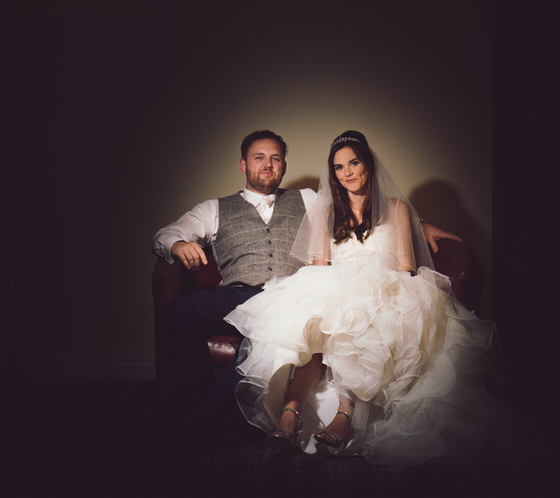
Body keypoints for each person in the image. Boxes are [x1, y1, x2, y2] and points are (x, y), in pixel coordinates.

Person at [225, 130, 520, 469]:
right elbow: (319, 266)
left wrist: (373, 287)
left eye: (354, 163)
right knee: (310, 327)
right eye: (338, 167)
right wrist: (327, 298)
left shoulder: (395, 208)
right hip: (335, 287)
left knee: (358, 319)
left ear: (368, 164)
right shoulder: (325, 211)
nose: (347, 172)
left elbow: (407, 266)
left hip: (386, 289)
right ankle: (289, 416)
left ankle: (343, 415)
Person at [151, 128, 459, 431]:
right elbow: (166, 234)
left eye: (275, 158)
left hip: (285, 294)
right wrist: (177, 245)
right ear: (243, 164)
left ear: (284, 165)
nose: (268, 164)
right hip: (236, 293)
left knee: (270, 334)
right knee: (182, 308)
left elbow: (364, 209)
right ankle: (199, 409)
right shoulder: (213, 209)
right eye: (259, 158)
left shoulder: (311, 200)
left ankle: (210, 423)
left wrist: (421, 227)